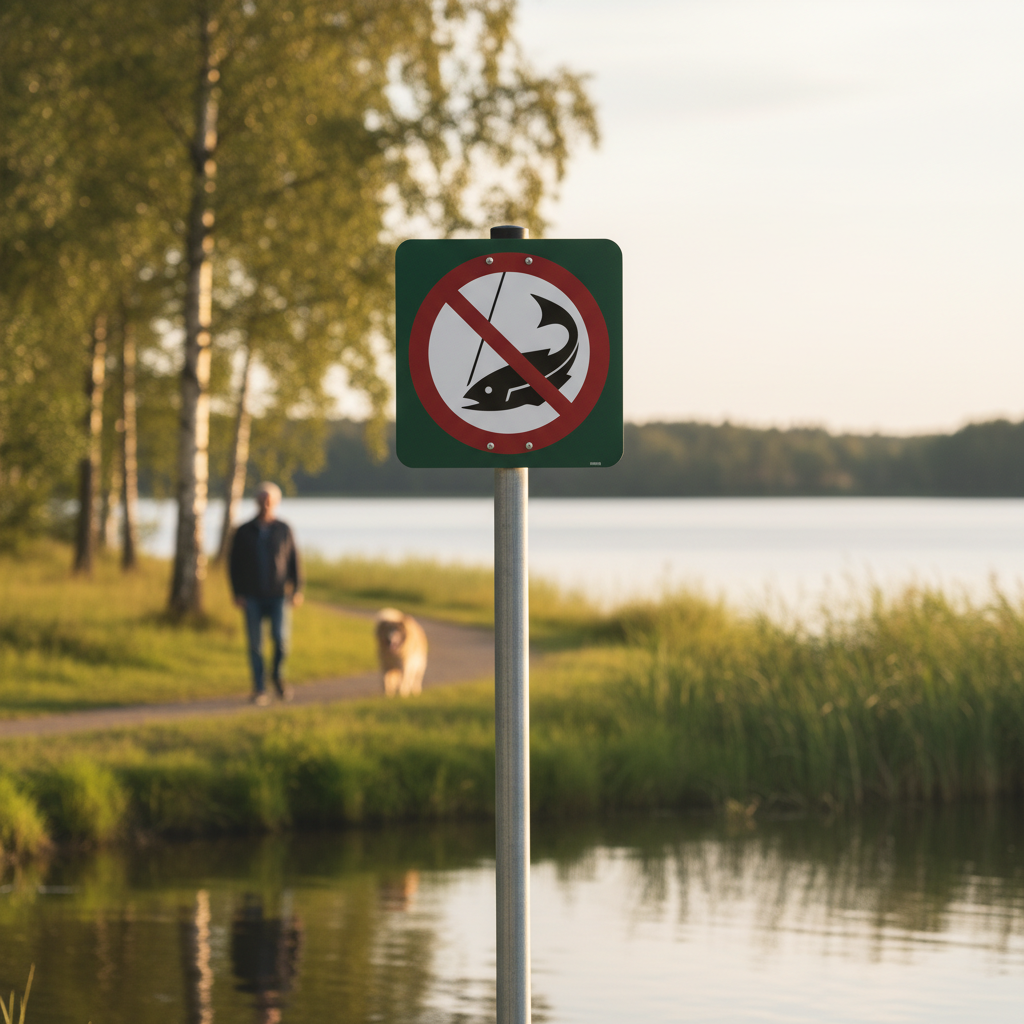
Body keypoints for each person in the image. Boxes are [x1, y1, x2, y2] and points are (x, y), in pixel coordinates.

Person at [229, 482, 304, 705]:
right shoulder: (243, 530)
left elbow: (294, 561)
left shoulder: (284, 529)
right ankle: (259, 688)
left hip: (279, 594)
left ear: (276, 502)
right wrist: (237, 592)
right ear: (256, 502)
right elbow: (234, 565)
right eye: (262, 499)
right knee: (255, 644)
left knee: (281, 640)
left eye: (269, 500)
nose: (265, 504)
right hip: (251, 595)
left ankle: (278, 678)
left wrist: (297, 589)